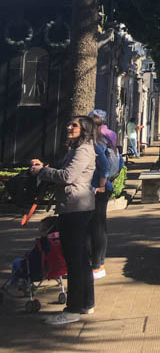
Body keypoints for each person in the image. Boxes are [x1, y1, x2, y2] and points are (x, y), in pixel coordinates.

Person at [30, 116, 96, 325]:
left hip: (75, 208)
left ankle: (73, 309)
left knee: (74, 260)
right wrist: (45, 167)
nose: (69, 127)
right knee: (81, 258)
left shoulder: (83, 150)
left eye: (74, 125)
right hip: (75, 208)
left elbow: (68, 175)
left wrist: (43, 172)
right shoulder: (76, 149)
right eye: (69, 124)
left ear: (84, 129)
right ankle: (86, 303)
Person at [88, 135, 112, 280]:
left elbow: (105, 166)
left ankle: (97, 265)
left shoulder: (95, 145)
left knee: (97, 228)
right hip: (98, 189)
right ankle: (97, 264)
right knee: (98, 227)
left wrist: (101, 186)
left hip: (97, 190)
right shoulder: (104, 141)